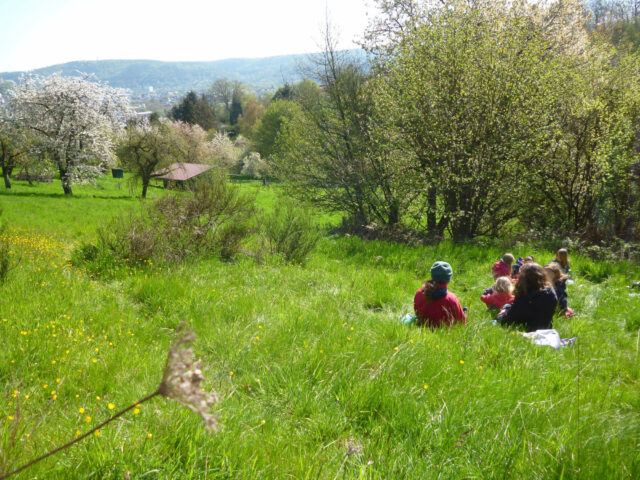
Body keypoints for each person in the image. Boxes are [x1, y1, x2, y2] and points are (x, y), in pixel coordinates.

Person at [497, 263, 557, 332]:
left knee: (506, 307)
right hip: (546, 328)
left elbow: (510, 319)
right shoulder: (550, 291)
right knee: (508, 306)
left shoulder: (525, 294)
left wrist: (501, 316)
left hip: (528, 329)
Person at [414, 261, 466, 328]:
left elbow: (417, 313)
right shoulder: (452, 299)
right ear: (449, 279)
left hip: (424, 327)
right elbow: (462, 322)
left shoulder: (420, 293)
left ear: (432, 275)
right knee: (465, 310)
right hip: (445, 332)